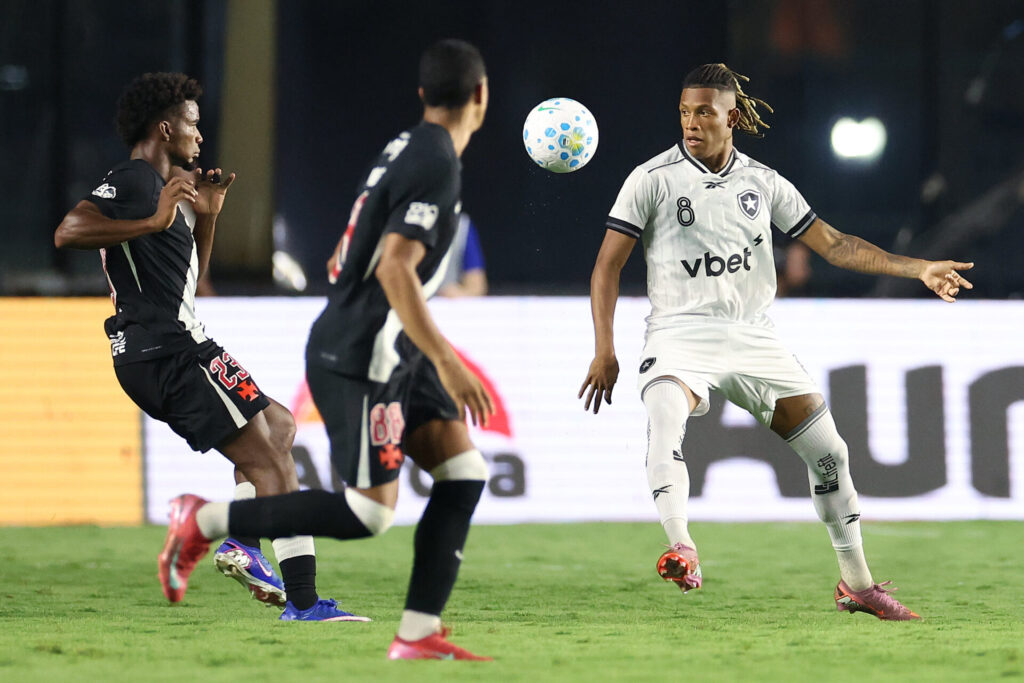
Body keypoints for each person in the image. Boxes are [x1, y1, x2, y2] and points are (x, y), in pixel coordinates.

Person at [578, 63, 975, 621]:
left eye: (705, 113)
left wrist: (920, 269)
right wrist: (605, 348)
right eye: (685, 112)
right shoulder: (652, 178)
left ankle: (856, 584)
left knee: (830, 454)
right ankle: (682, 547)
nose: (691, 123)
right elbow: (606, 267)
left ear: (731, 117)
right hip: (678, 335)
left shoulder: (762, 183)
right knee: (665, 415)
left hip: (754, 339)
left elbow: (836, 245)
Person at [156, 40, 495, 660]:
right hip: (362, 351)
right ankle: (202, 522)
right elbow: (396, 268)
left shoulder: (412, 146)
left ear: (423, 97)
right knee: (370, 514)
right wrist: (448, 359)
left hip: (387, 342)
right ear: (481, 95)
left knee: (464, 472)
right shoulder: (436, 161)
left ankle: (418, 633)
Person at [54, 72, 363, 622]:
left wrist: (209, 216)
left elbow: (187, 280)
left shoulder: (169, 189)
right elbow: (68, 231)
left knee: (282, 427)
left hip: (187, 342)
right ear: (166, 127)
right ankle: (302, 601)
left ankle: (243, 543)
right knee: (272, 464)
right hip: (165, 352)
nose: (201, 136)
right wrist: (152, 218)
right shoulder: (134, 180)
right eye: (194, 124)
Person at [438, 212, 488, 297]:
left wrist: (460, 295)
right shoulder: (409, 226)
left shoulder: (461, 226)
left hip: (443, 304)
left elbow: (476, 286)